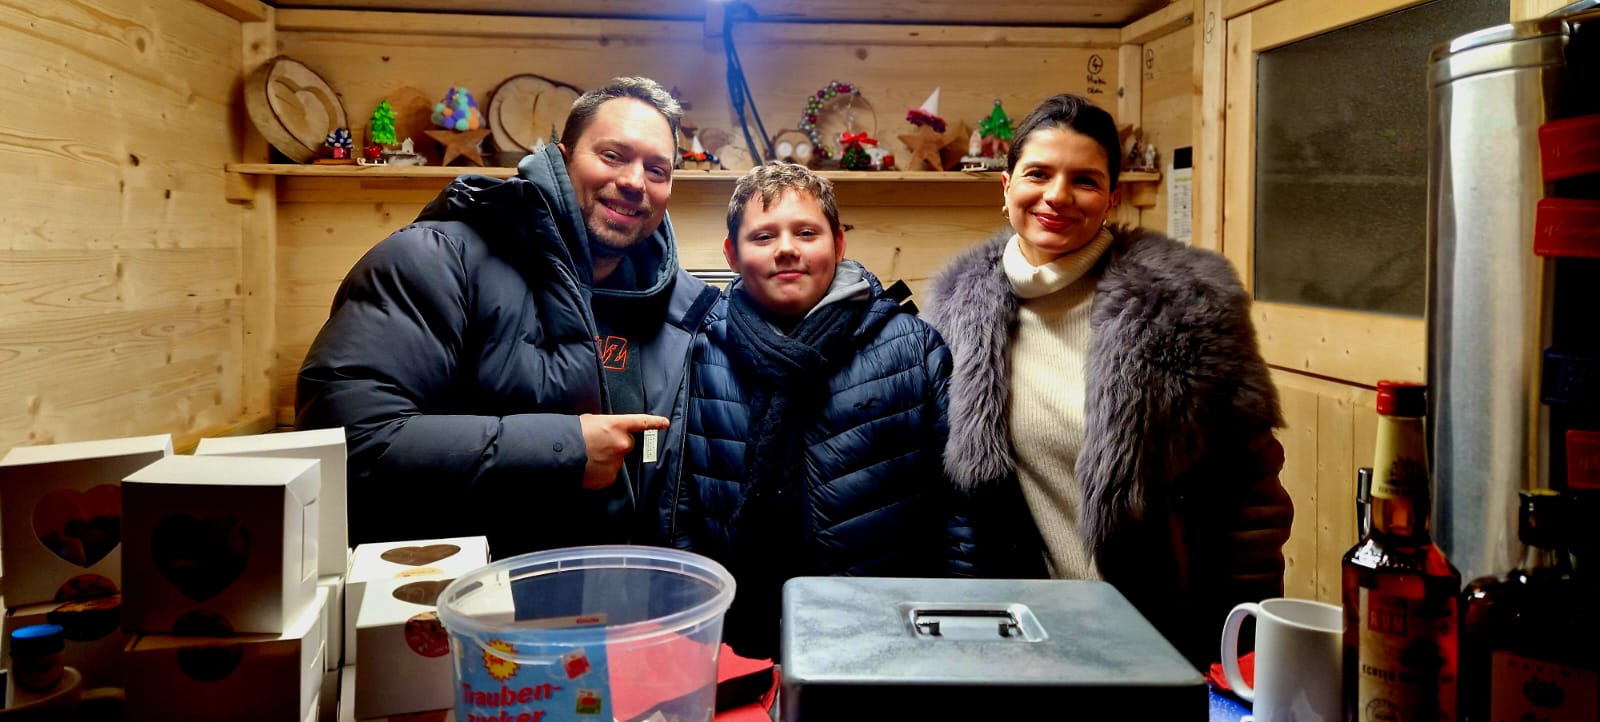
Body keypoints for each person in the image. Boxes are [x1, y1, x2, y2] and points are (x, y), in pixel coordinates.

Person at [923, 93, 1294, 666]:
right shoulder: (954, 317)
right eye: (1038, 174)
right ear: (1006, 185)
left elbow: (1251, 500)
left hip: (1161, 636)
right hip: (1019, 638)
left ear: (1112, 198)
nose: (1057, 196)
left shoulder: (1188, 307)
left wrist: (1243, 649)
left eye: (1085, 180)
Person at [296, 77, 719, 558]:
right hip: (467, 595)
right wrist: (566, 449)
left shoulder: (683, 310)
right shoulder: (435, 261)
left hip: (628, 589)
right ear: (561, 158)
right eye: (612, 155)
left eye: (657, 169)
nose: (634, 181)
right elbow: (350, 445)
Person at [660, 162, 959, 659]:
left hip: (886, 635)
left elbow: (958, 503)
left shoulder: (911, 347)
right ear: (732, 254)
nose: (786, 249)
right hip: (740, 635)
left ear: (839, 244)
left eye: (806, 232)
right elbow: (682, 501)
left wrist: (955, 630)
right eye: (763, 236)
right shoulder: (703, 351)